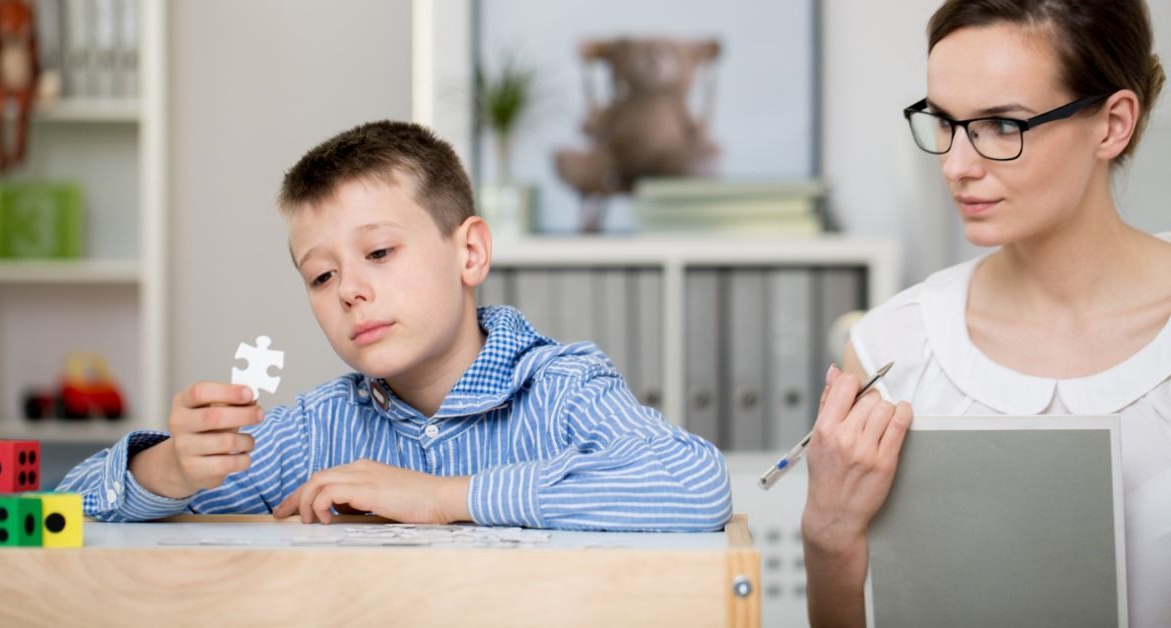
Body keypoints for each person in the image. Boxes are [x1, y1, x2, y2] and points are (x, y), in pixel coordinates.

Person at [58, 120, 733, 531]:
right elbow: (61, 512)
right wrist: (169, 468)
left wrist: (443, 498)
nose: (349, 289)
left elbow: (695, 485)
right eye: (321, 277)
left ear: (469, 252)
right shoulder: (313, 432)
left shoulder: (562, 390)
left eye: (379, 253)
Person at [802, 0, 1168, 625]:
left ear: (1112, 125)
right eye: (944, 121)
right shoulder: (893, 347)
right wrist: (827, 538)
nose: (956, 165)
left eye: (1003, 125)